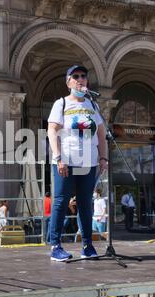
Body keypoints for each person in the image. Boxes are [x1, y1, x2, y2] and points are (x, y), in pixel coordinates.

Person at [47, 65, 108, 261]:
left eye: (83, 76)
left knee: (85, 203)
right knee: (61, 202)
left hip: (88, 163)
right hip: (67, 160)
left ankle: (87, 245)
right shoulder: (61, 103)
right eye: (75, 76)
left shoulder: (92, 105)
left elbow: (101, 133)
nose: (80, 79)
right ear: (68, 83)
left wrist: (103, 157)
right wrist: (58, 158)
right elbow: (52, 131)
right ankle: (56, 246)